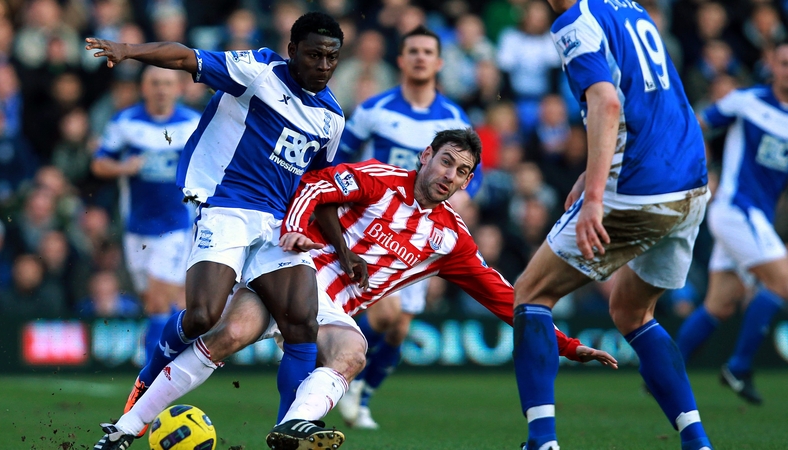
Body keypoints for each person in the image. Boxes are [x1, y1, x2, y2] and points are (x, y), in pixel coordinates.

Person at [99, 129, 617, 450]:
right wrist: (295, 229)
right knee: (229, 333)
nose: (450, 175)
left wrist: (567, 345)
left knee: (352, 350)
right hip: (292, 269)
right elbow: (316, 185)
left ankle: (295, 428)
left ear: (467, 183)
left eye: (462, 172)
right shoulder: (380, 179)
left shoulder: (450, 239)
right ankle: (125, 428)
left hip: (332, 308)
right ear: (425, 155)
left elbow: (507, 298)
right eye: (445, 161)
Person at [85, 11, 346, 449]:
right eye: (314, 55)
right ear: (292, 51)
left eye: (331, 58)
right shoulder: (258, 70)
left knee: (302, 323)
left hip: (278, 224)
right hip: (228, 207)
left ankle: (289, 431)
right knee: (202, 316)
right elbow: (186, 57)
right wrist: (129, 50)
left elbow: (318, 187)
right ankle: (140, 396)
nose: (323, 65)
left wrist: (343, 250)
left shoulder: (332, 118)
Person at [510, 1, 714, 449]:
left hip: (639, 186)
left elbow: (606, 101)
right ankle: (697, 441)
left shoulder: (574, 21)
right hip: (690, 183)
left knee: (531, 292)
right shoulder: (631, 10)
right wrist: (590, 171)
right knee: (631, 311)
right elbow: (649, 101)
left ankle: (542, 440)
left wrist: (595, 198)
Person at [332, 25, 482, 430]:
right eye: (412, 50)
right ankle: (336, 365)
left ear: (439, 62)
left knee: (399, 328)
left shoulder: (454, 117)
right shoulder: (375, 109)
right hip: (377, 227)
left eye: (427, 51)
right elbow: (340, 156)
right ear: (400, 60)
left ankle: (362, 394)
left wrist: (466, 196)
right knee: (386, 315)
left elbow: (475, 172)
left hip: (423, 232)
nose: (420, 57)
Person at [676, 41, 788, 406]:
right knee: (783, 282)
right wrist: (699, 169)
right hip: (736, 208)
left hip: (756, 216)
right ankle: (738, 367)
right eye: (784, 62)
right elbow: (695, 125)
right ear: (772, 65)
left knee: (720, 304)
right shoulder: (746, 101)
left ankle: (665, 369)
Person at [91, 65, 200, 362]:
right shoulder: (125, 123)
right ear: (144, 87)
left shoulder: (193, 124)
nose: (161, 89)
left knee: (158, 300)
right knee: (153, 301)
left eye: (167, 83)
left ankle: (153, 369)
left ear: (178, 88)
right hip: (136, 226)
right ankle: (182, 351)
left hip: (175, 224)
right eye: (155, 83)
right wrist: (123, 168)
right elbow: (99, 163)